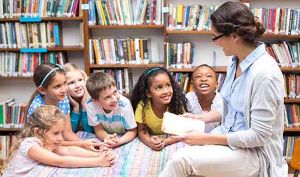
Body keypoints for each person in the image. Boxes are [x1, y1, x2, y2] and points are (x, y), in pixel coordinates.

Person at [160, 2, 288, 177]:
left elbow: (258, 136)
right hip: (230, 135)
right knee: (185, 149)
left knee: (181, 161)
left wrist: (207, 138)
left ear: (234, 35)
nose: (215, 43)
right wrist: (200, 118)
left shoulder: (265, 75)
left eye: (216, 37)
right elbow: (232, 110)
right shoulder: (235, 62)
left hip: (256, 153)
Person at [3, 105, 116, 177]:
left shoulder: (46, 142)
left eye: (61, 133)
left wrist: (98, 155)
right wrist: (98, 162)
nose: (61, 138)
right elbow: (60, 161)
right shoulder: (30, 145)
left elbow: (68, 151)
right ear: (37, 132)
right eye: (56, 133)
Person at [26, 63, 100, 151]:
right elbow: (48, 143)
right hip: (43, 147)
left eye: (65, 83)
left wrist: (87, 145)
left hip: (57, 143)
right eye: (57, 86)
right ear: (42, 90)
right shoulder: (37, 109)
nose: (64, 90)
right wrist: (81, 144)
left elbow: (67, 133)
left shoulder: (63, 100)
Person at [130, 67, 188, 151]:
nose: (166, 91)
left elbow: (182, 132)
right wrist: (149, 142)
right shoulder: (142, 106)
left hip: (171, 138)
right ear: (148, 93)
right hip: (152, 136)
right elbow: (142, 131)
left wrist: (165, 142)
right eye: (159, 88)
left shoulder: (177, 103)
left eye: (168, 85)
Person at [86, 72, 137, 148]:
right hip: (108, 135)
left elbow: (133, 131)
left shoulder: (125, 104)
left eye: (115, 92)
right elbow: (98, 129)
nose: (114, 99)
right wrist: (107, 138)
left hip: (124, 136)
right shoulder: (91, 105)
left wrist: (119, 141)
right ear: (95, 101)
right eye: (107, 97)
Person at [184, 64, 223, 133]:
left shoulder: (223, 101)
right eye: (198, 76)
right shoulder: (188, 99)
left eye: (209, 76)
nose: (203, 79)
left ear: (217, 84)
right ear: (192, 85)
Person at [64, 63, 94, 133]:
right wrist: (76, 109)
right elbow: (69, 132)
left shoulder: (93, 99)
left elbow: (90, 131)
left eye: (80, 80)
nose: (77, 85)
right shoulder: (63, 103)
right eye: (71, 83)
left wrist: (84, 106)